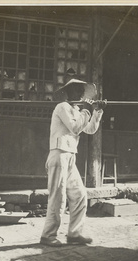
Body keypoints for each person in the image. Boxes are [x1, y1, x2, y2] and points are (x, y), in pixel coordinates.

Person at [40, 79, 105, 247]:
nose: (78, 94)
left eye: (80, 91)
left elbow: (89, 129)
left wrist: (97, 111)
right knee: (58, 197)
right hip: (59, 154)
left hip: (70, 156)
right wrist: (86, 110)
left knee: (80, 194)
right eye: (74, 91)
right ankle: (48, 235)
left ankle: (74, 233)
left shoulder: (76, 110)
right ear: (68, 93)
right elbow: (75, 128)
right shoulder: (62, 107)